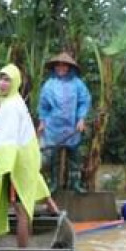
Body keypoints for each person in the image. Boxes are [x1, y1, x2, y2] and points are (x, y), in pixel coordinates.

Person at [0, 64, 59, 248]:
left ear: (15, 82)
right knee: (25, 203)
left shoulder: (10, 106)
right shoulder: (15, 101)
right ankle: (52, 210)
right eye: (0, 78)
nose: (1, 83)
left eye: (7, 79)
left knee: (20, 208)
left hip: (18, 162)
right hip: (26, 159)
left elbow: (8, 140)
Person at [37, 52, 91, 194]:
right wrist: (42, 121)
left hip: (72, 125)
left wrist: (81, 119)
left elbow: (84, 101)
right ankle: (53, 184)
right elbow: (43, 105)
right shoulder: (49, 85)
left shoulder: (77, 84)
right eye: (58, 65)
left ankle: (75, 183)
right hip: (53, 126)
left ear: (69, 67)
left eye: (64, 65)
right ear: (55, 67)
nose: (61, 68)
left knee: (74, 156)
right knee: (53, 157)